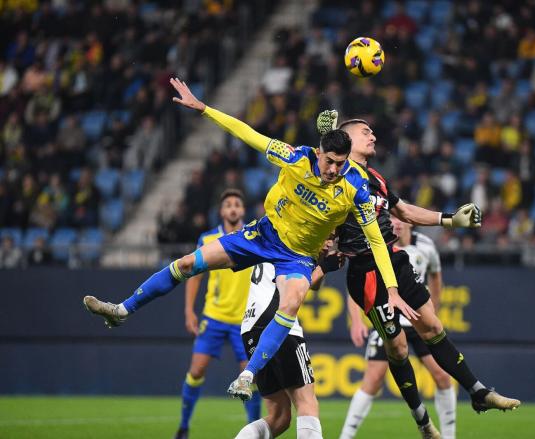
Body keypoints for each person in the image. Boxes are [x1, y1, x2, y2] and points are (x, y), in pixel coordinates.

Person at [83, 77, 419, 403]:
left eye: (340, 164)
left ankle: (248, 375)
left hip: (298, 256)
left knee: (290, 303)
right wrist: (204, 109)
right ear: (319, 153)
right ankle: (122, 310)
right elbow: (248, 134)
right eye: (329, 162)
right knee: (188, 262)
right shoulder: (295, 157)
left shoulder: (355, 190)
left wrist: (391, 290)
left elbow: (376, 241)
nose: (333, 170)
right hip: (263, 234)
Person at [317, 111, 519, 439]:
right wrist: (325, 139)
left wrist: (452, 220)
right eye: (366, 132)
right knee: (396, 348)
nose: (374, 136)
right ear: (348, 140)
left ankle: (479, 393)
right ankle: (424, 422)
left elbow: (406, 211)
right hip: (367, 271)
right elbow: (316, 174)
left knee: (434, 326)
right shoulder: (338, 173)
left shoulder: (377, 179)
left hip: (394, 260)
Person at [340, 216, 457, 439]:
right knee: (372, 380)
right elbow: (357, 284)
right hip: (389, 318)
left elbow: (436, 277)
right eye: (391, 218)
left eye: (400, 218)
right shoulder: (376, 242)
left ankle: (450, 436)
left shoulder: (425, 246)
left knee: (442, 376)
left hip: (416, 319)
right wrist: (355, 320)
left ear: (410, 221)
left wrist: (433, 311)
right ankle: (345, 436)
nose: (396, 223)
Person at [174, 189, 261, 439]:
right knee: (197, 370)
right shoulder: (208, 238)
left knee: (249, 377)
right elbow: (194, 275)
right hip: (213, 317)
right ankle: (183, 425)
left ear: (243, 210)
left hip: (245, 320)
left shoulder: (252, 234)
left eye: (237, 204)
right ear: (221, 211)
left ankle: (253, 429)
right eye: (228, 205)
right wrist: (189, 310)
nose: (233, 208)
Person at [235, 243, 341, 439]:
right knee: (307, 403)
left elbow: (314, 284)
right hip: (279, 325)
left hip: (250, 328)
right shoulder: (298, 239)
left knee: (279, 416)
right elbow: (297, 287)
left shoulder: (276, 237)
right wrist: (325, 266)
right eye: (328, 236)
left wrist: (321, 264)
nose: (328, 243)